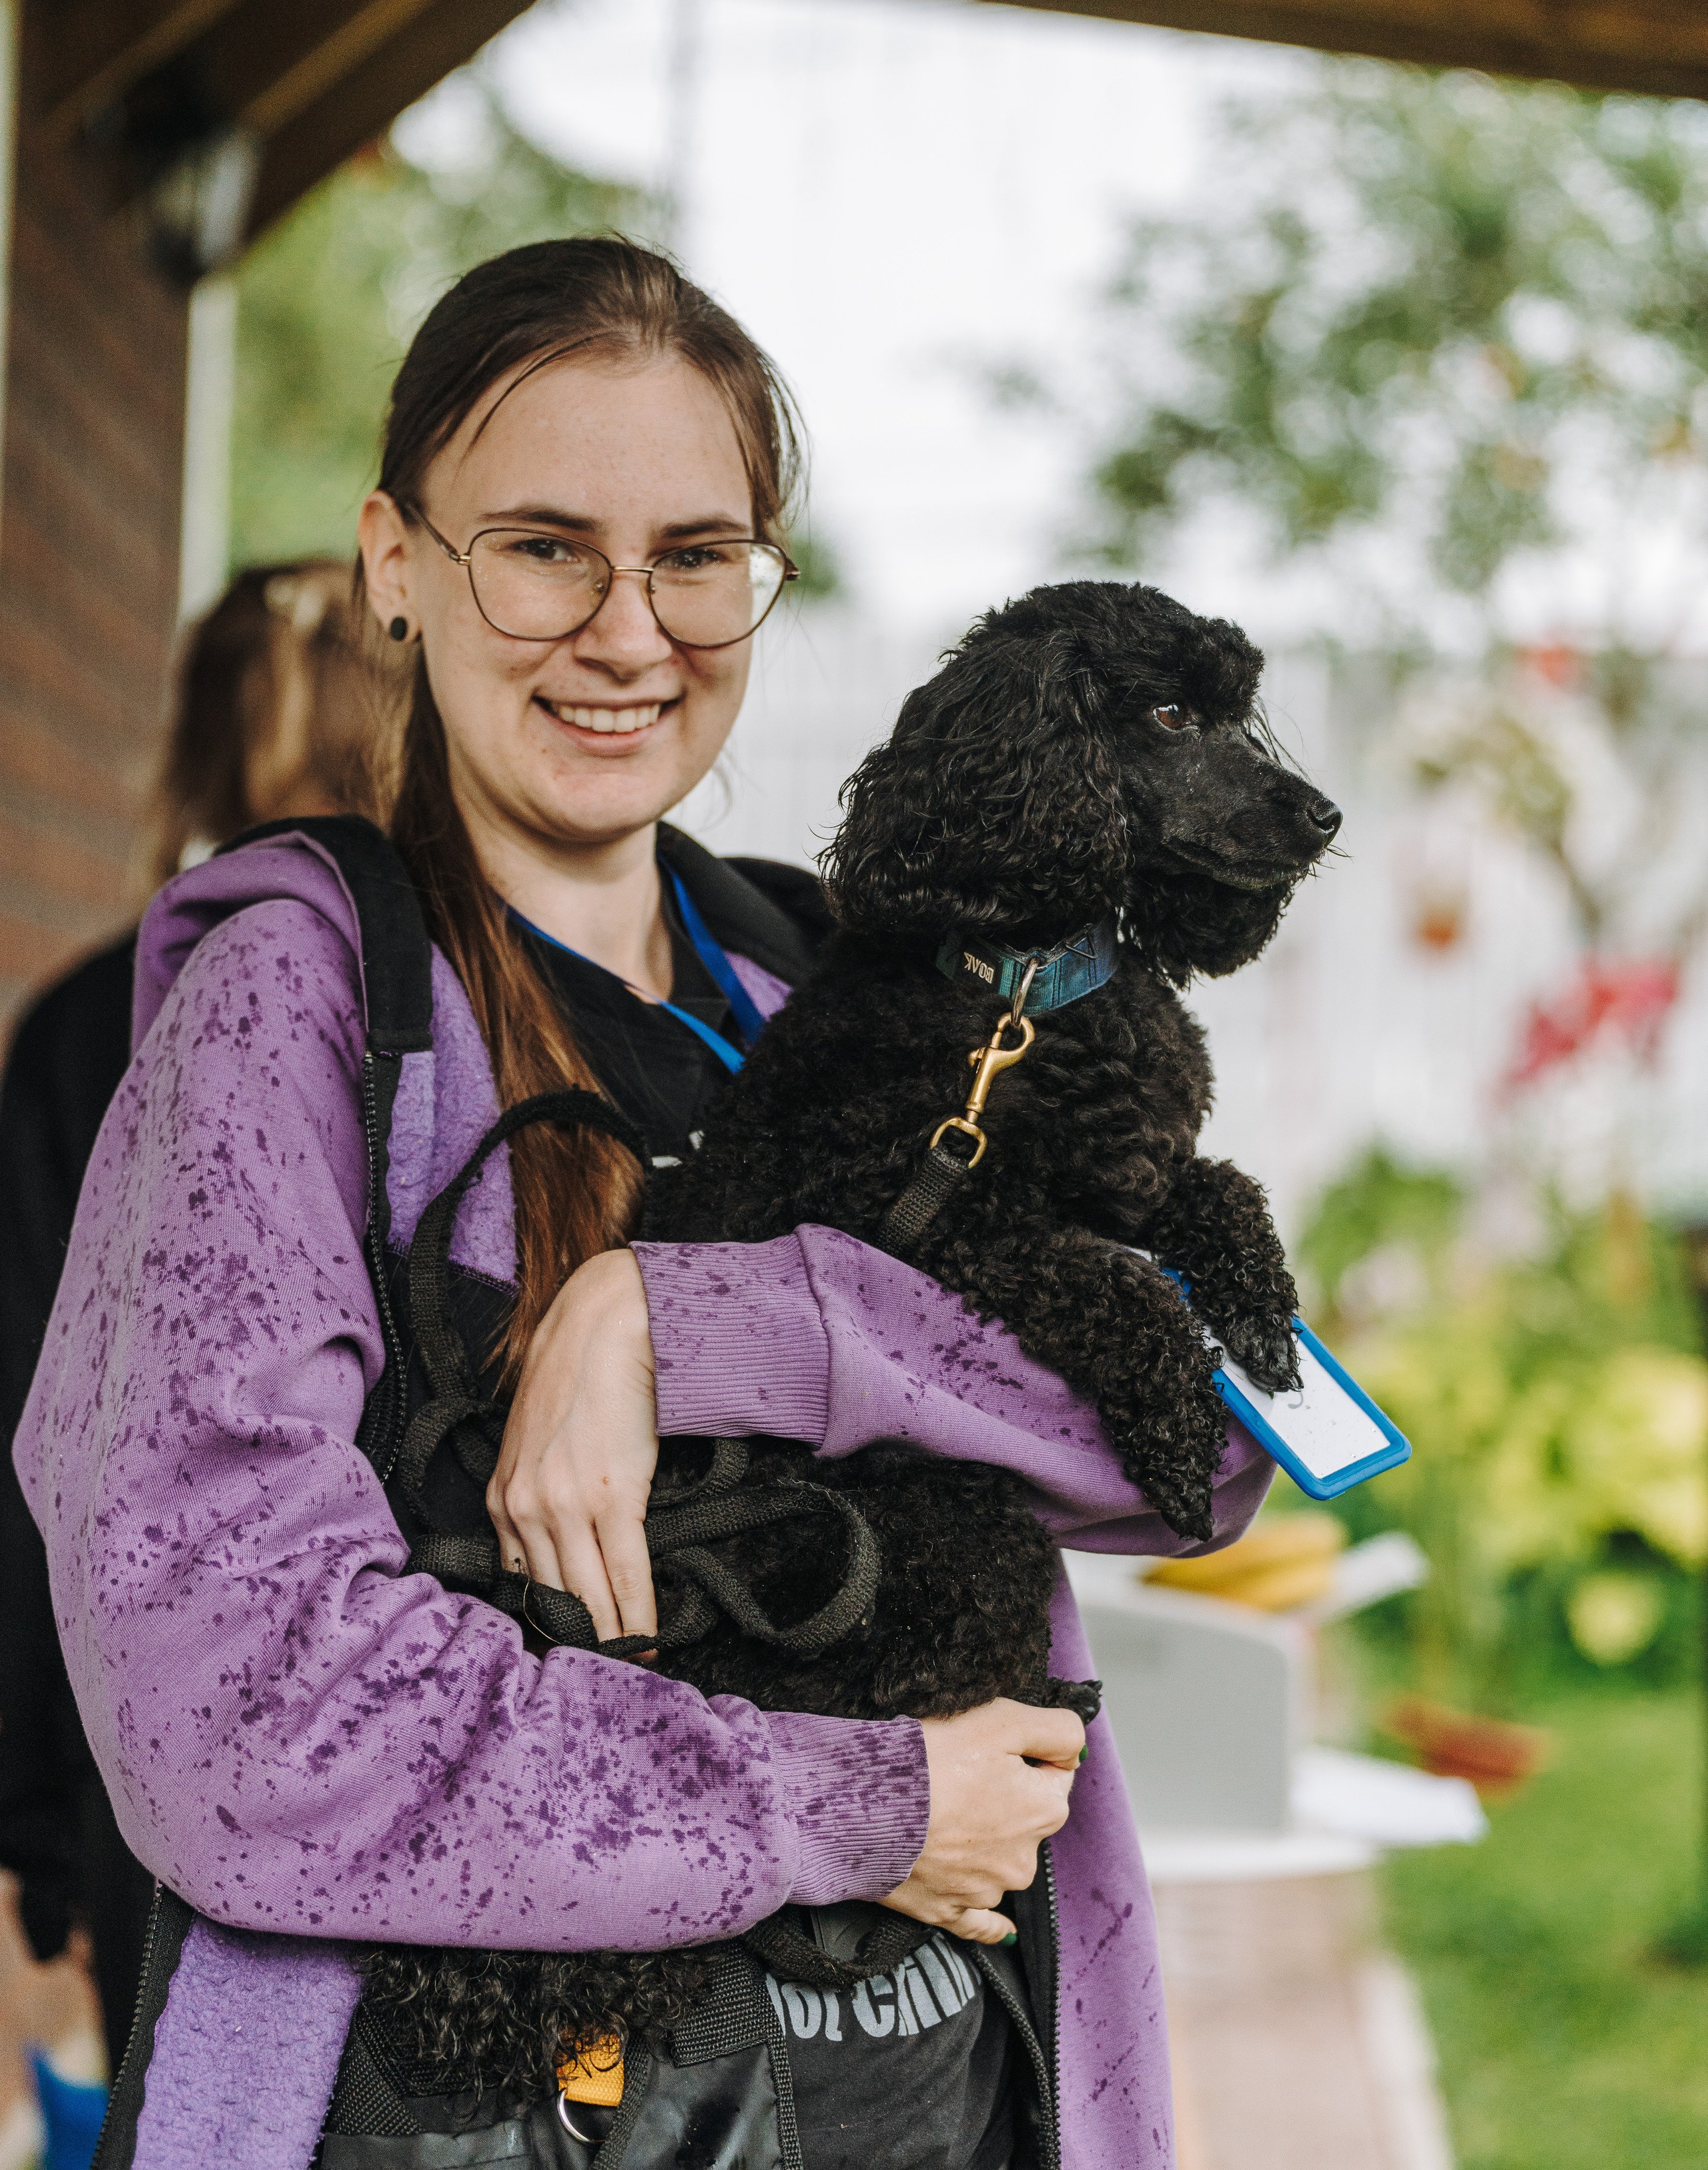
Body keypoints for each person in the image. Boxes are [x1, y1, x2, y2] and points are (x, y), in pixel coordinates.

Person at [15, 242, 1271, 2170]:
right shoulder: (299, 1007)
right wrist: (856, 1799)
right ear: (396, 563)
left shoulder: (845, 975)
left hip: (927, 2077)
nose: (628, 631)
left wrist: (689, 1318)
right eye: (542, 546)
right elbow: (242, 1698)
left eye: (696, 556)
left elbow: (1212, 1439)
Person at [0, 561, 387, 2059]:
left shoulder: (98, 1016)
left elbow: (32, 1440)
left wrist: (36, 1816)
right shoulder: (478, 1006)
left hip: (160, 1773)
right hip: (430, 1769)